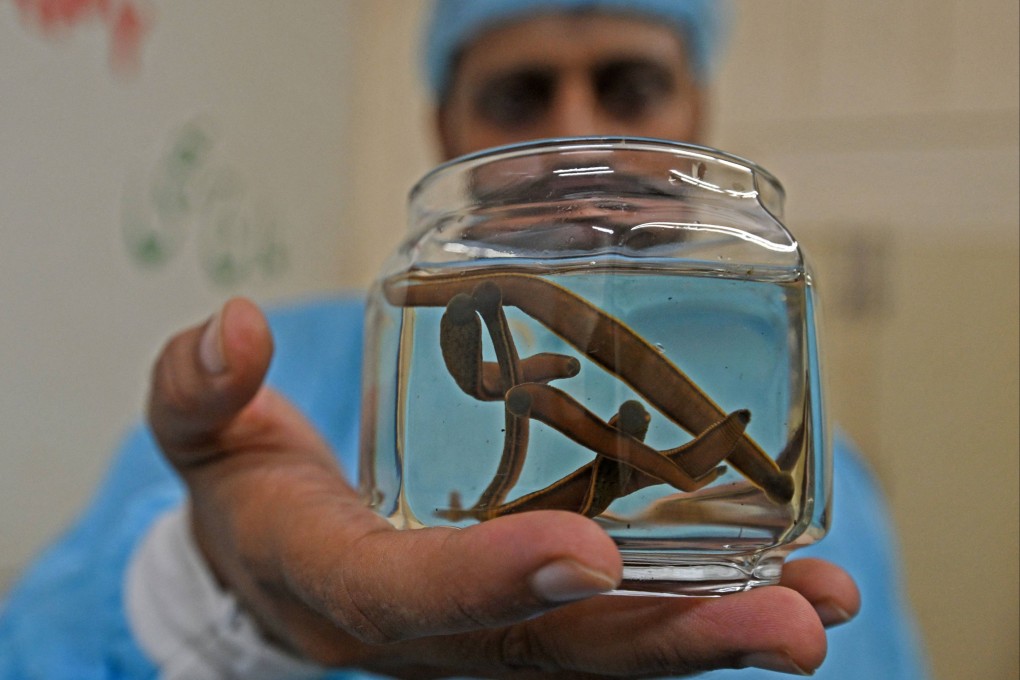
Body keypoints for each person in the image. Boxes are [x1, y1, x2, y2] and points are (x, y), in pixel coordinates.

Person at [0, 1, 930, 678]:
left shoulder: (808, 463)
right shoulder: (284, 377)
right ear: (446, 127)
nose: (581, 134)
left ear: (698, 109)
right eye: (520, 95)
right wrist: (220, 601)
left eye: (631, 85)